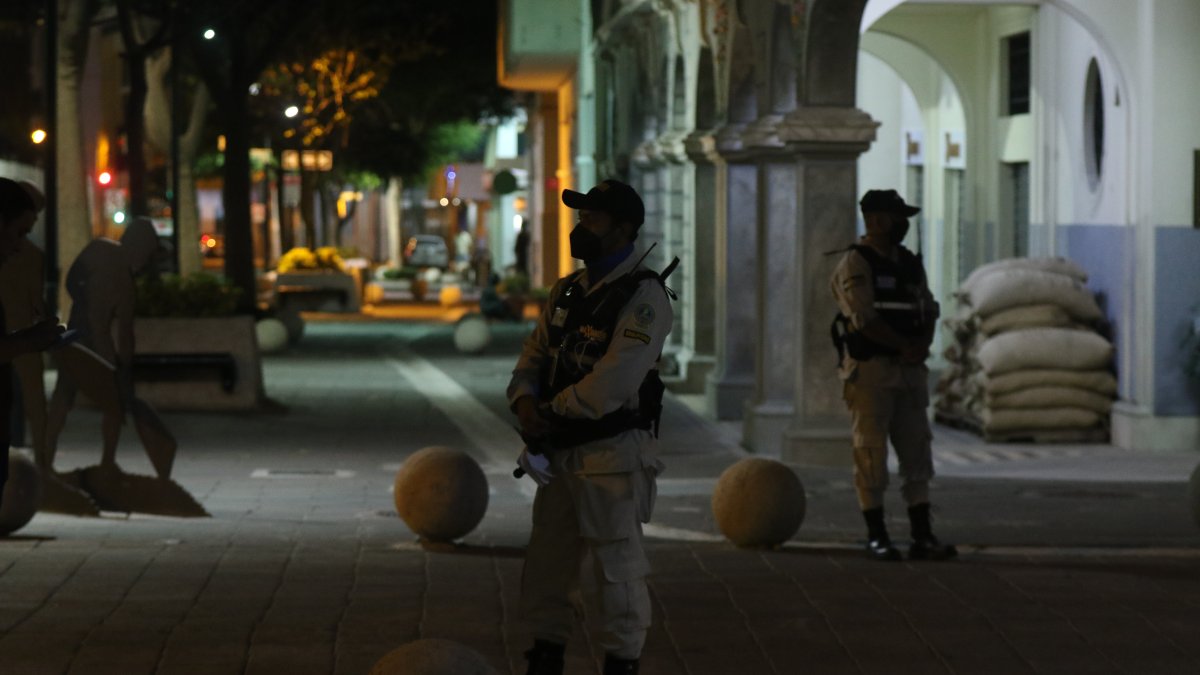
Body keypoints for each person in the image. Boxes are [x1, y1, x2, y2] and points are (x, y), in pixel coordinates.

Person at [508, 179, 675, 675]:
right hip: (559, 453)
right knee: (548, 564)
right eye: (581, 218)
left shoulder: (645, 296)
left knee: (615, 570)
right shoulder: (567, 290)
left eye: (593, 219)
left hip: (611, 456)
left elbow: (613, 383)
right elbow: (533, 355)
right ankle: (546, 654)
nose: (582, 228)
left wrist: (550, 410)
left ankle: (621, 661)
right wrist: (523, 401)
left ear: (623, 229)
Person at [830, 189, 956, 562]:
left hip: (909, 372)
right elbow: (863, 318)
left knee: (917, 450)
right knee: (870, 451)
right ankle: (877, 535)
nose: (903, 224)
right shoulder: (856, 263)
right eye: (897, 217)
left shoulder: (909, 263)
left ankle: (922, 535)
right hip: (872, 372)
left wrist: (921, 344)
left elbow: (928, 308)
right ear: (877, 220)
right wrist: (902, 345)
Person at [44, 217, 162, 473]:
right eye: (147, 254)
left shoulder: (98, 249)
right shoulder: (124, 283)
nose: (145, 263)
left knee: (63, 398)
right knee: (111, 406)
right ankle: (106, 461)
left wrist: (83, 302)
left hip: (74, 337)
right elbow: (120, 333)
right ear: (139, 249)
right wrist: (119, 369)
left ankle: (48, 459)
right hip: (91, 343)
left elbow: (71, 283)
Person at [0, 178, 65, 501]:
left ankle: (43, 461)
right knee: (35, 402)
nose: (18, 246)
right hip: (20, 340)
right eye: (19, 232)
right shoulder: (32, 257)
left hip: (20, 337)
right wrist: (30, 340)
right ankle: (43, 462)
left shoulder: (29, 257)